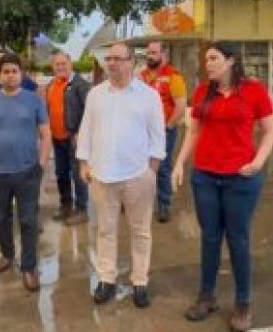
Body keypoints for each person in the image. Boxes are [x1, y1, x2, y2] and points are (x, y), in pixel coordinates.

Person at [171, 41, 273, 331]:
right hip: (205, 176)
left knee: (238, 239)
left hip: (241, 178)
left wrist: (258, 161)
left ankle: (243, 303)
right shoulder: (202, 92)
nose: (208, 64)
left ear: (231, 61)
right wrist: (179, 163)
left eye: (214, 58)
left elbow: (270, 131)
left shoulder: (254, 90)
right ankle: (207, 297)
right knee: (210, 238)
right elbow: (193, 131)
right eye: (206, 59)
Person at [76, 43, 165, 308]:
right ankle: (107, 279)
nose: (112, 63)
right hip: (102, 175)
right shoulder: (96, 95)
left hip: (138, 174)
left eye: (118, 59)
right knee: (105, 230)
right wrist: (84, 163)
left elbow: (158, 136)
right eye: (109, 59)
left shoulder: (148, 96)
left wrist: (152, 171)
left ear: (131, 63)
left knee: (140, 231)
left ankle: (140, 281)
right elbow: (86, 130)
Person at [0, 52, 51, 292]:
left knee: (28, 220)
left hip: (28, 171)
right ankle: (7, 254)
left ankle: (29, 267)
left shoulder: (34, 100)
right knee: (0, 218)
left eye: (14, 71)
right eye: (5, 72)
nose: (10, 76)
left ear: (21, 74)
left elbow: (46, 133)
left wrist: (41, 163)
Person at [140, 41, 186, 222]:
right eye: (148, 53)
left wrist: (168, 126)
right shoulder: (141, 76)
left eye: (154, 52)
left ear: (163, 55)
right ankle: (142, 204)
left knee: (163, 168)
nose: (150, 56)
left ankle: (164, 206)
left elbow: (181, 104)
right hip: (143, 131)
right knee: (142, 167)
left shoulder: (173, 76)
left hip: (164, 130)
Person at [46, 51, 92, 225]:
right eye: (57, 64)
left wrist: (81, 133)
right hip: (57, 138)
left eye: (63, 63)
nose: (60, 67)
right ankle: (66, 206)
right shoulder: (52, 84)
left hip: (75, 138)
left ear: (70, 64)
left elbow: (90, 112)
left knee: (78, 174)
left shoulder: (81, 85)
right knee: (61, 173)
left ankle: (82, 210)